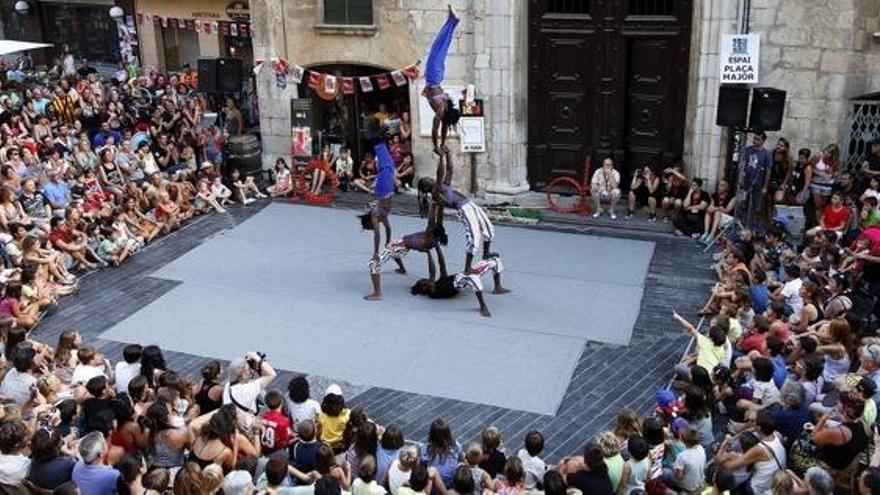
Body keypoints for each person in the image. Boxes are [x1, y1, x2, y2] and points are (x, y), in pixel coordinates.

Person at [410, 256, 508, 317]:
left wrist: (436, 250)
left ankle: (497, 287)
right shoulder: (433, 293)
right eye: (424, 281)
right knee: (472, 278)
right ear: (424, 287)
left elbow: (442, 265)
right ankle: (483, 306)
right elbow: (433, 272)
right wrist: (429, 254)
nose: (427, 279)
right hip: (459, 284)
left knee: (494, 260)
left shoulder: (437, 282)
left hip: (461, 275)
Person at [422, 5, 462, 154]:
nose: (444, 123)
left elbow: (442, 128)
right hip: (433, 77)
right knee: (437, 47)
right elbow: (434, 129)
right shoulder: (440, 109)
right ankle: (452, 21)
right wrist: (435, 146)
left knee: (441, 47)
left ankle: (452, 21)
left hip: (436, 78)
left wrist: (442, 144)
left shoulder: (444, 111)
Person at [223, 351, 277, 431]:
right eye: (248, 369)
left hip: (231, 424)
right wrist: (256, 358)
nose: (251, 371)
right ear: (243, 375)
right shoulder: (246, 390)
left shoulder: (228, 385)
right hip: (244, 430)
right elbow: (272, 374)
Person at [744, 131, 772, 220]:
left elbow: (768, 170)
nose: (755, 141)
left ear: (763, 141)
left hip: (758, 184)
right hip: (747, 182)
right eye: (754, 138)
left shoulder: (766, 154)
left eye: (757, 139)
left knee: (757, 207)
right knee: (745, 205)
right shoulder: (748, 150)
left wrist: (765, 187)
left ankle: (755, 225)